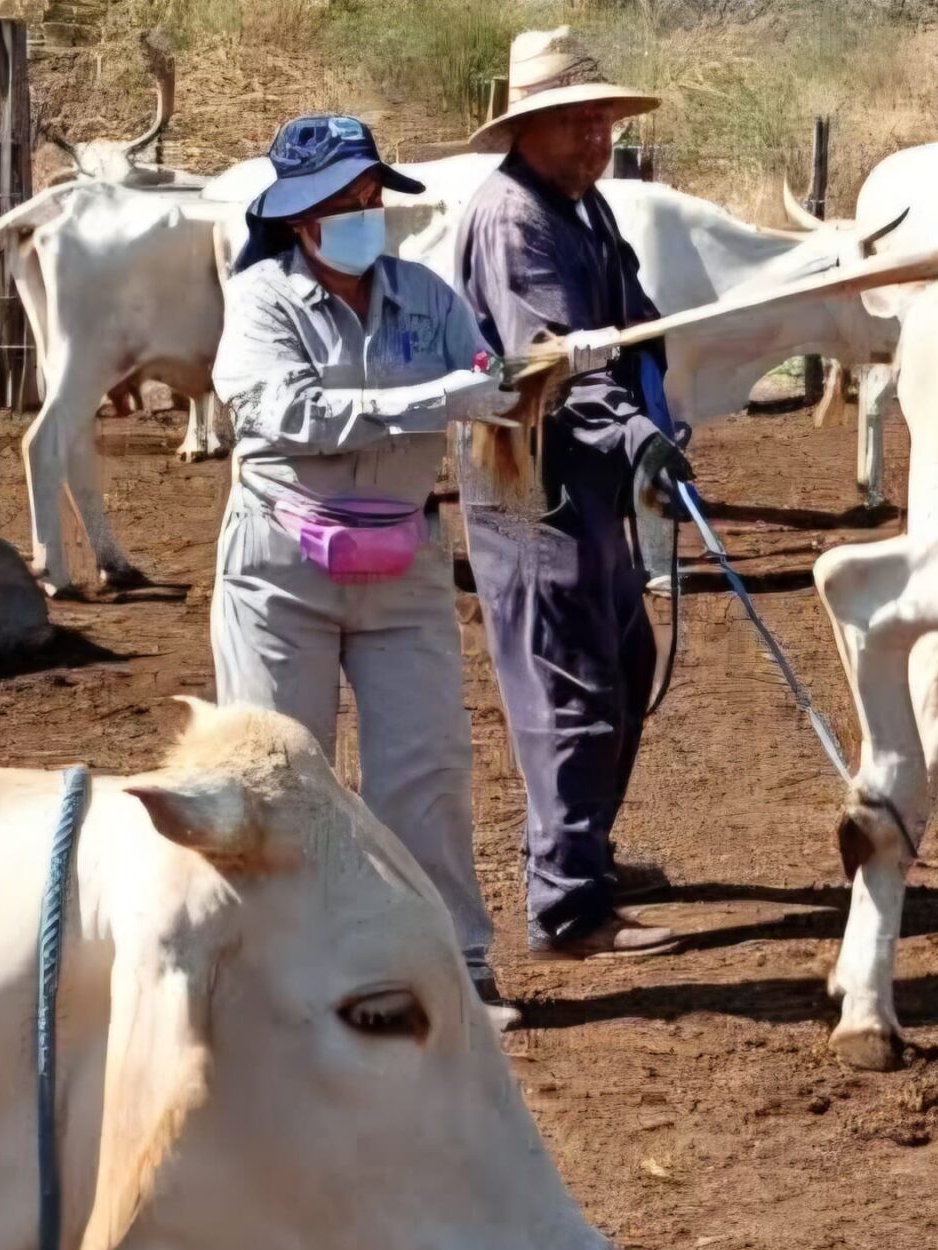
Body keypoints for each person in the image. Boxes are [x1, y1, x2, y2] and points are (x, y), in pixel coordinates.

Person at [211, 113, 520, 1005]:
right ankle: (275, 976)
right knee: (274, 771)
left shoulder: (427, 296)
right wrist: (435, 400)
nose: (362, 211)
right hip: (283, 564)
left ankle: (452, 967)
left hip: (406, 559)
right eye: (341, 200)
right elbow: (282, 415)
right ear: (299, 220)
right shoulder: (262, 300)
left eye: (370, 194)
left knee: (427, 771)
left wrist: (527, 380)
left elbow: (485, 379)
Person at [454, 29, 694, 958]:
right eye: (578, 122)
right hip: (533, 485)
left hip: (586, 474)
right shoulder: (515, 219)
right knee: (570, 690)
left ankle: (579, 850)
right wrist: (637, 435)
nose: (598, 138)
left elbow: (628, 327)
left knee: (623, 667)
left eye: (604, 120)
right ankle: (566, 907)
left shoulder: (583, 207)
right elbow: (553, 360)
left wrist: (654, 417)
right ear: (530, 128)